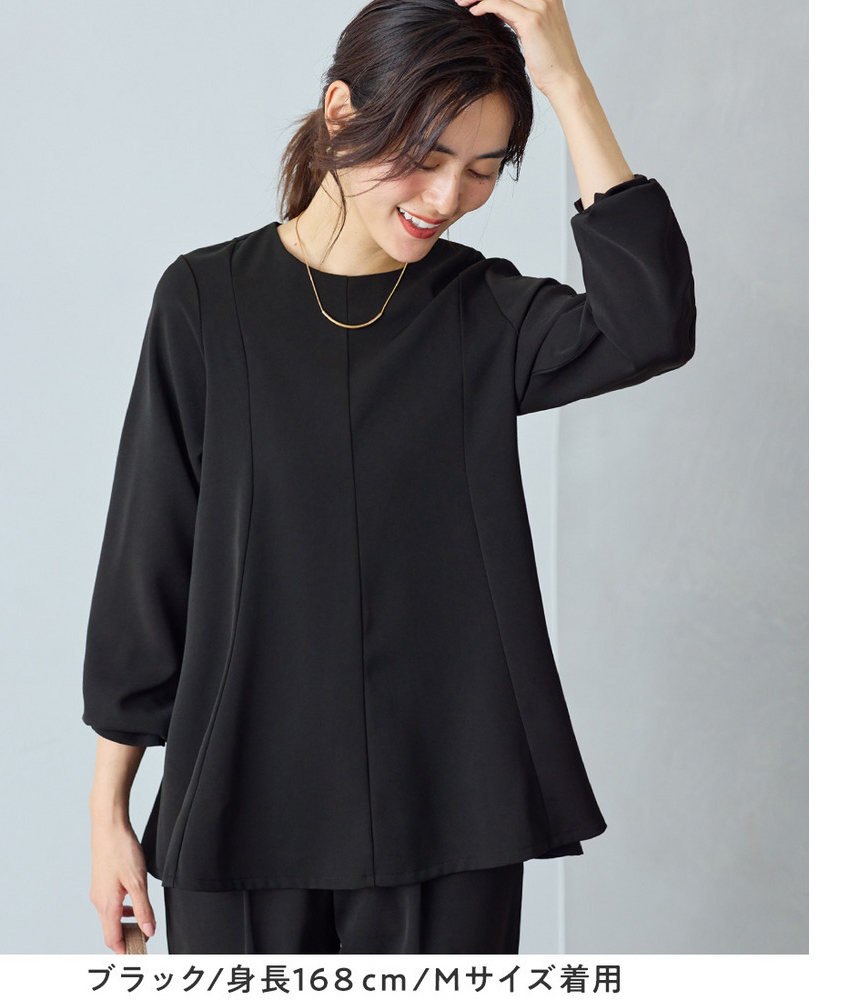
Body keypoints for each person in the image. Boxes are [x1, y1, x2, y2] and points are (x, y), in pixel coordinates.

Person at [83, 0, 696, 956]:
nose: (448, 196)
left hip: (449, 809)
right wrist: (109, 813)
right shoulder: (206, 300)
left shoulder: (482, 310)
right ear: (341, 112)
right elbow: (149, 558)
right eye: (427, 155)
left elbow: (648, 326)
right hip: (241, 799)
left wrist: (567, 85)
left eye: (483, 169)